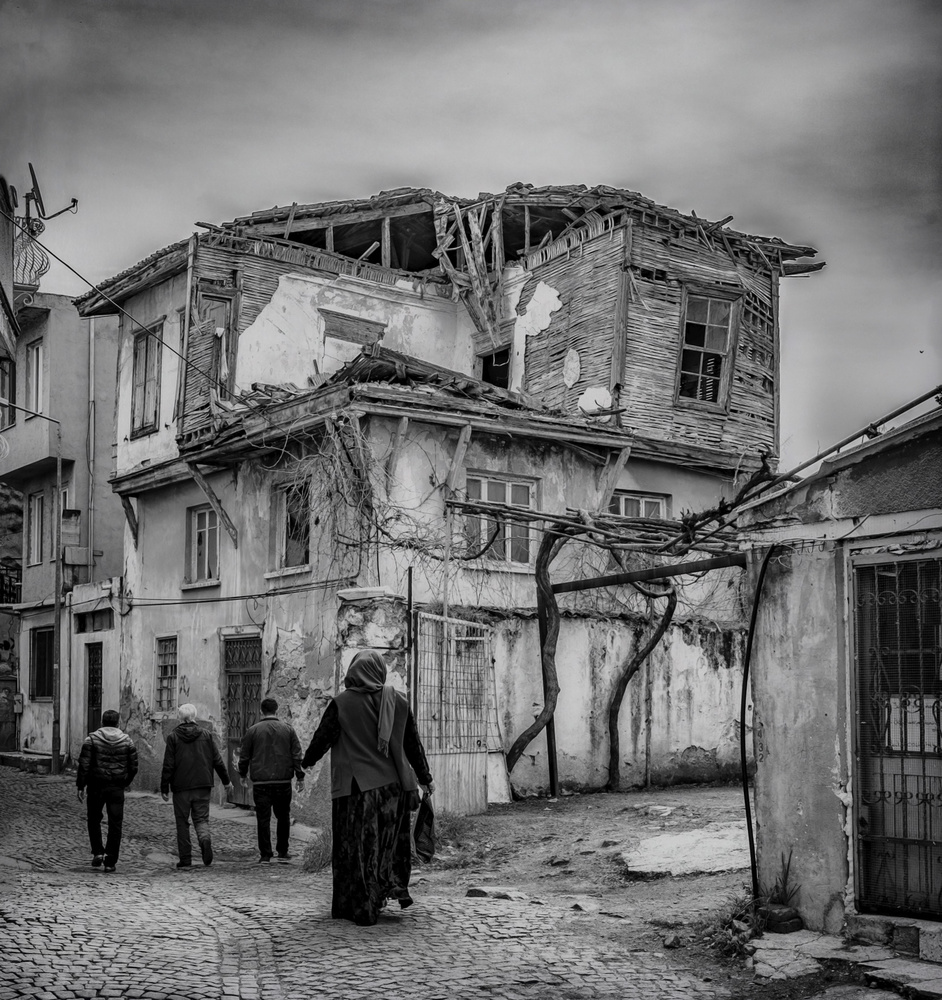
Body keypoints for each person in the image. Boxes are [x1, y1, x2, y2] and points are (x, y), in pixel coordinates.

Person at [302, 649, 434, 926]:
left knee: (357, 849)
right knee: (387, 847)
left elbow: (322, 738)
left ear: (353, 672)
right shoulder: (398, 701)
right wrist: (425, 777)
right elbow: (413, 745)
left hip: (356, 791)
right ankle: (384, 894)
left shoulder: (342, 703)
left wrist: (306, 762)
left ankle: (361, 906)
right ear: (380, 671)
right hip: (393, 791)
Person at [160, 703, 232, 869]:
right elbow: (217, 760)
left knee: (182, 822)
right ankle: (205, 840)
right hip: (202, 784)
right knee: (201, 819)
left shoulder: (173, 737)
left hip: (181, 786)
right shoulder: (206, 735)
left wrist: (164, 787)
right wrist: (226, 781)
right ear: (194, 716)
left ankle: (185, 859)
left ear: (180, 717)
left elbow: (168, 765)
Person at [237, 697, 305, 863]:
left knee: (263, 818)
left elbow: (244, 755)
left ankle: (266, 854)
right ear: (277, 710)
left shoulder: (253, 731)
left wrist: (242, 774)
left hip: (261, 781)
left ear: (261, 711)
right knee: (283, 817)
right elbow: (296, 754)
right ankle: (282, 851)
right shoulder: (288, 730)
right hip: (283, 780)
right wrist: (300, 776)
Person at [76, 709, 139, 873]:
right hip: (116, 787)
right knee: (115, 824)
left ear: (102, 722)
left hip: (96, 785)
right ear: (118, 723)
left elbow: (84, 765)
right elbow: (133, 766)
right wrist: (125, 781)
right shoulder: (127, 741)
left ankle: (97, 851)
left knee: (94, 819)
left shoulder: (91, 739)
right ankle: (110, 860)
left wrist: (81, 786)